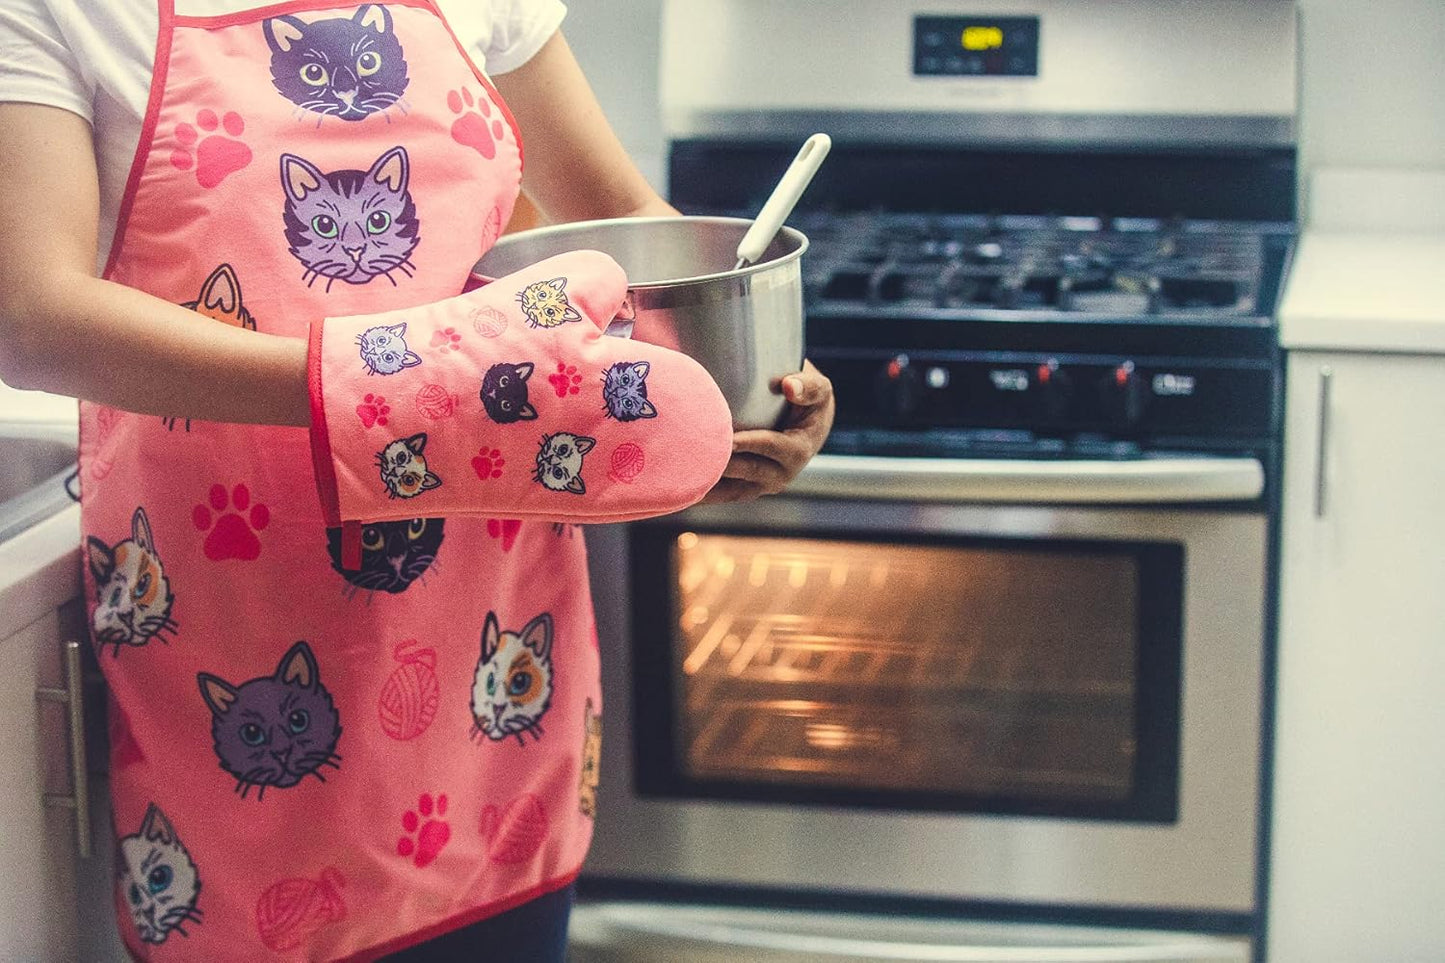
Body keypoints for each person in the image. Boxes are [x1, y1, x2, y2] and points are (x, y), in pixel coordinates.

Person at [0, 0, 834, 959]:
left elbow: (634, 227)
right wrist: (396, 383)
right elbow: (35, 317)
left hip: (489, 618)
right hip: (234, 613)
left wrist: (743, 385)